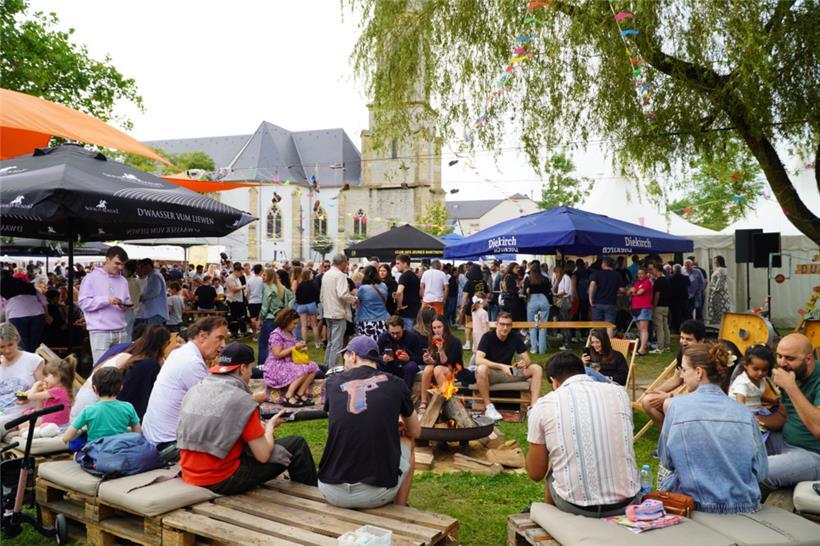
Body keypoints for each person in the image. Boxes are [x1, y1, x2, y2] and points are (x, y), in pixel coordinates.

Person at [177, 343, 317, 494]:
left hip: (189, 473)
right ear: (242, 368)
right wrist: (269, 427)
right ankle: (312, 498)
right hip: (220, 479)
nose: (251, 374)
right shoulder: (243, 401)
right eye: (251, 368)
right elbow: (263, 455)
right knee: (297, 445)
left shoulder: (195, 390)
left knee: (272, 450)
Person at [527, 352, 640, 516]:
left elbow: (535, 473)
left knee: (554, 471)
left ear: (554, 381)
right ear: (583, 371)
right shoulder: (620, 393)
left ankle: (551, 520)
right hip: (627, 502)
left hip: (575, 506)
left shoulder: (544, 405)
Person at [658, 343, 767, 513]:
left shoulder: (676, 406)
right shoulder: (744, 413)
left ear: (699, 372)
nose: (681, 375)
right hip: (744, 505)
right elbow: (761, 471)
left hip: (695, 505)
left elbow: (667, 461)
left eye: (684, 370)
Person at [318, 336, 420, 508]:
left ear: (353, 356)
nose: (344, 360)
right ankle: (401, 507)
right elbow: (416, 431)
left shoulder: (333, 383)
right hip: (375, 494)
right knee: (407, 441)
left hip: (330, 490)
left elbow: (343, 421)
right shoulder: (397, 384)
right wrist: (390, 424)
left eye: (345, 355)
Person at [142, 317, 228, 454]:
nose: (223, 345)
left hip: (153, 436)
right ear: (202, 336)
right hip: (169, 443)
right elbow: (215, 408)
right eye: (219, 338)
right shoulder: (192, 362)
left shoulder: (180, 352)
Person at [758, 333, 820, 488]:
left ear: (808, 359)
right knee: (735, 448)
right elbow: (783, 415)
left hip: (812, 454)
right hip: (783, 441)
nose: (782, 363)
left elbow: (818, 429)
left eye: (790, 358)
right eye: (779, 356)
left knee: (760, 470)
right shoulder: (793, 374)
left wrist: (790, 387)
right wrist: (755, 420)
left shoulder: (799, 380)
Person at [475, 312, 543, 421]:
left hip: (509, 372)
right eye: (502, 324)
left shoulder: (515, 337)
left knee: (537, 368)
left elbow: (528, 360)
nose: (505, 328)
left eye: (508, 325)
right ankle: (489, 407)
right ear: (496, 324)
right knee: (481, 369)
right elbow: (478, 359)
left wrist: (524, 363)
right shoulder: (487, 337)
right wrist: (501, 366)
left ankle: (533, 408)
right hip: (491, 373)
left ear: (511, 326)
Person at [640, 319, 706, 427]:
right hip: (684, 396)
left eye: (689, 339)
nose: (683, 342)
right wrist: (655, 391)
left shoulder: (706, 359)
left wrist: (669, 396)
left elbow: (702, 393)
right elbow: (676, 379)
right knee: (648, 401)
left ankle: (676, 432)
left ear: (701, 341)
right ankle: (668, 432)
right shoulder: (683, 353)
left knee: (667, 404)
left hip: (700, 401)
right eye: (682, 338)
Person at [62, 367, 141, 448]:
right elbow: (137, 434)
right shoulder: (128, 407)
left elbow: (66, 437)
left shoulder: (88, 410)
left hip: (96, 452)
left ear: (94, 388)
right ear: (121, 387)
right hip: (120, 450)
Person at [77, 246, 131, 363]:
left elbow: (127, 300)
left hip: (121, 331)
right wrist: (106, 300)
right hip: (100, 331)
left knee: (121, 367)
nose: (120, 267)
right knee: (101, 368)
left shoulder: (123, 281)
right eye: (117, 263)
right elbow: (83, 303)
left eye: (122, 264)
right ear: (107, 259)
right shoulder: (90, 278)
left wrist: (125, 305)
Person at [264, 308, 320, 407]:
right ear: (286, 322)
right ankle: (288, 396)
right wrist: (294, 348)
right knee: (302, 369)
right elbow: (277, 355)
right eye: (294, 323)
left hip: (288, 362)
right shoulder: (276, 335)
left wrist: (300, 348)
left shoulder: (291, 333)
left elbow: (292, 350)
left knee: (313, 366)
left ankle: (300, 393)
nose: (295, 325)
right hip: (276, 366)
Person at [117, 325, 170, 420]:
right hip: (135, 412)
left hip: (123, 408)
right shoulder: (150, 365)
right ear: (163, 344)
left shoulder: (136, 358)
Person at [0, 323, 46, 430]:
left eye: (10, 344)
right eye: (2, 347)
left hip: (23, 412)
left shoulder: (33, 360)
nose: (7, 350)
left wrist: (29, 396)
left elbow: (45, 388)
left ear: (17, 340)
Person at [17, 357, 74, 437]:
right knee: (21, 425)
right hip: (50, 422)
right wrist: (40, 392)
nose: (45, 379)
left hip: (55, 424)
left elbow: (31, 396)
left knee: (22, 428)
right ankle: (37, 431)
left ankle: (37, 431)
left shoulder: (58, 390)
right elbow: (39, 410)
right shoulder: (55, 391)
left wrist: (35, 385)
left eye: (47, 376)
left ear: (57, 375)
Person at [320, 254, 358, 371]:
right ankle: (332, 369)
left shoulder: (326, 274)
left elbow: (322, 295)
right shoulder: (340, 275)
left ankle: (326, 365)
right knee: (337, 344)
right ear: (343, 263)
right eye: (346, 263)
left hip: (328, 312)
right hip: (338, 313)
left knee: (331, 342)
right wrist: (354, 299)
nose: (346, 266)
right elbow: (342, 294)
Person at [420, 317, 467, 410]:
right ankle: (423, 401)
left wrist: (441, 349)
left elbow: (447, 362)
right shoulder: (433, 340)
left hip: (454, 370)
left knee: (437, 369)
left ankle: (448, 401)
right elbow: (436, 362)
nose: (437, 330)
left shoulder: (455, 341)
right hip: (440, 370)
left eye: (439, 327)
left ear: (445, 327)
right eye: (434, 328)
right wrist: (428, 359)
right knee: (428, 368)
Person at [0, 270, 48, 352]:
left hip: (17, 316)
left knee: (22, 345)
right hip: (38, 315)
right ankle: (34, 358)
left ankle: (26, 359)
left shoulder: (3, 290)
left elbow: (2, 308)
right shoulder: (28, 287)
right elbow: (44, 300)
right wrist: (47, 315)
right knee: (35, 345)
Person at [257, 268, 295, 367]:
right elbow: (292, 297)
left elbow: (265, 305)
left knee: (264, 344)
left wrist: (261, 318)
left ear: (269, 276)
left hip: (269, 318)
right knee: (277, 344)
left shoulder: (268, 288)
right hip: (279, 319)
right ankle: (276, 366)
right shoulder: (281, 287)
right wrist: (286, 309)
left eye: (264, 275)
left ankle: (263, 366)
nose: (262, 277)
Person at [729, 344, 778, 414]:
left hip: (756, 410)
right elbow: (740, 403)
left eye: (764, 370)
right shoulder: (742, 383)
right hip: (742, 413)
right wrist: (746, 417)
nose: (760, 373)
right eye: (756, 369)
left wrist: (771, 400)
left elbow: (757, 394)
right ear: (745, 365)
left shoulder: (761, 379)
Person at [377, 316, 423, 390]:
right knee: (377, 365)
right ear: (388, 330)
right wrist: (383, 358)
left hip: (405, 367)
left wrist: (409, 358)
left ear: (403, 328)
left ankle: (406, 392)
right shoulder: (383, 337)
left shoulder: (412, 337)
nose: (395, 336)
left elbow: (421, 358)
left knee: (411, 365)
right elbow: (376, 356)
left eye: (398, 333)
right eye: (392, 333)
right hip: (390, 366)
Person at [588, 257, 625, 337]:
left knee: (596, 325)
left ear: (604, 264)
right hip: (611, 303)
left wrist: (590, 299)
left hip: (597, 303)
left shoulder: (597, 274)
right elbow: (622, 289)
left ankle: (596, 341)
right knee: (609, 325)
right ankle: (609, 343)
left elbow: (592, 286)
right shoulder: (617, 275)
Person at [355, 265, 390, 342]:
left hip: (366, 320)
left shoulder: (363, 288)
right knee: (380, 343)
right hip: (382, 319)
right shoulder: (384, 286)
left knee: (366, 344)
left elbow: (357, 300)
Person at [524, 261, 551, 354]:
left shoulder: (528, 279)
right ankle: (542, 349)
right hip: (544, 300)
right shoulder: (545, 279)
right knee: (543, 325)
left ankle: (534, 348)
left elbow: (526, 291)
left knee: (532, 326)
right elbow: (549, 291)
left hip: (532, 300)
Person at [627, 267, 653, 355]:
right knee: (640, 329)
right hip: (635, 308)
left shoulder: (647, 282)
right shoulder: (637, 283)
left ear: (646, 274)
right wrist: (632, 291)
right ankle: (643, 347)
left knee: (644, 329)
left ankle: (642, 349)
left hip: (644, 307)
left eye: (642, 273)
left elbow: (639, 292)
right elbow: (628, 292)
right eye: (638, 274)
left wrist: (633, 291)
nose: (640, 275)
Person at [136, 258, 168, 327]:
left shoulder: (155, 276)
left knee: (153, 332)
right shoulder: (151, 276)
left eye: (141, 267)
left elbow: (155, 292)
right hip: (152, 313)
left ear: (148, 266)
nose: (139, 270)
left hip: (155, 313)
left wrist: (140, 297)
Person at [295, 268, 321, 348]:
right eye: (311, 274)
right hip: (311, 304)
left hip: (301, 305)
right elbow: (317, 295)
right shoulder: (313, 284)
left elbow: (297, 295)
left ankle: (304, 344)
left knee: (303, 326)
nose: (313, 275)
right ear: (308, 275)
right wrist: (316, 303)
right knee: (314, 325)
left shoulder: (300, 285)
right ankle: (317, 343)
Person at [395, 254, 421, 332]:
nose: (396, 266)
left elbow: (399, 292)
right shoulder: (415, 276)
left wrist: (399, 306)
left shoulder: (404, 276)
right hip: (416, 311)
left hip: (407, 312)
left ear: (405, 264)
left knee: (407, 336)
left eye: (398, 263)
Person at [649, 262, 671, 354]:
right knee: (665, 326)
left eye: (652, 269)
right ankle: (667, 345)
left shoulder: (658, 281)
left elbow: (657, 295)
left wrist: (654, 306)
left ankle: (660, 347)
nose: (652, 271)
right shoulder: (667, 279)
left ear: (656, 270)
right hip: (666, 306)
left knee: (659, 327)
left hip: (659, 306)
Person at [550, 264, 573, 350]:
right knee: (563, 322)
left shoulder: (566, 278)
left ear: (559, 272)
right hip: (561, 300)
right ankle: (565, 341)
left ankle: (567, 344)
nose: (556, 274)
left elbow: (565, 291)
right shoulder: (559, 279)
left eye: (556, 273)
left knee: (565, 323)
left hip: (565, 301)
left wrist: (556, 295)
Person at [225, 263, 248, 338]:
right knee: (234, 317)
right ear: (236, 271)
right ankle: (234, 333)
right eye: (241, 273)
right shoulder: (230, 278)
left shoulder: (237, 278)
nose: (241, 275)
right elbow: (233, 289)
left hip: (238, 300)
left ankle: (240, 331)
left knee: (240, 316)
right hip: (233, 300)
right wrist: (244, 286)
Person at [707, 255, 731, 324]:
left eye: (716, 261)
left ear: (720, 261)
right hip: (716, 291)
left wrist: (715, 290)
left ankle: (721, 323)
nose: (714, 262)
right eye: (714, 261)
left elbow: (721, 282)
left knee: (720, 308)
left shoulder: (722, 270)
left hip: (719, 293)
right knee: (716, 308)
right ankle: (717, 322)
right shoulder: (718, 269)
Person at [668, 264, 690, 333]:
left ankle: (676, 329)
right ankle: (687, 328)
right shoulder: (686, 277)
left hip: (674, 299)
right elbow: (689, 285)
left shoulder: (670, 278)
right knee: (685, 314)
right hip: (684, 298)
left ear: (673, 270)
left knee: (676, 315)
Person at [246, 264, 264, 338]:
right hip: (261, 301)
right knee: (260, 318)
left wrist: (248, 301)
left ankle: (254, 335)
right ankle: (259, 333)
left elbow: (247, 293)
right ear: (261, 271)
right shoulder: (262, 280)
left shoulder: (249, 280)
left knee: (253, 319)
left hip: (252, 301)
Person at [470, 293, 490, 361]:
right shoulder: (484, 313)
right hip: (482, 336)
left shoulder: (473, 310)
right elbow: (485, 327)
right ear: (483, 300)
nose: (487, 301)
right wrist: (487, 337)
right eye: (486, 299)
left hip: (475, 334)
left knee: (476, 353)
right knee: (482, 354)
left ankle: (471, 365)